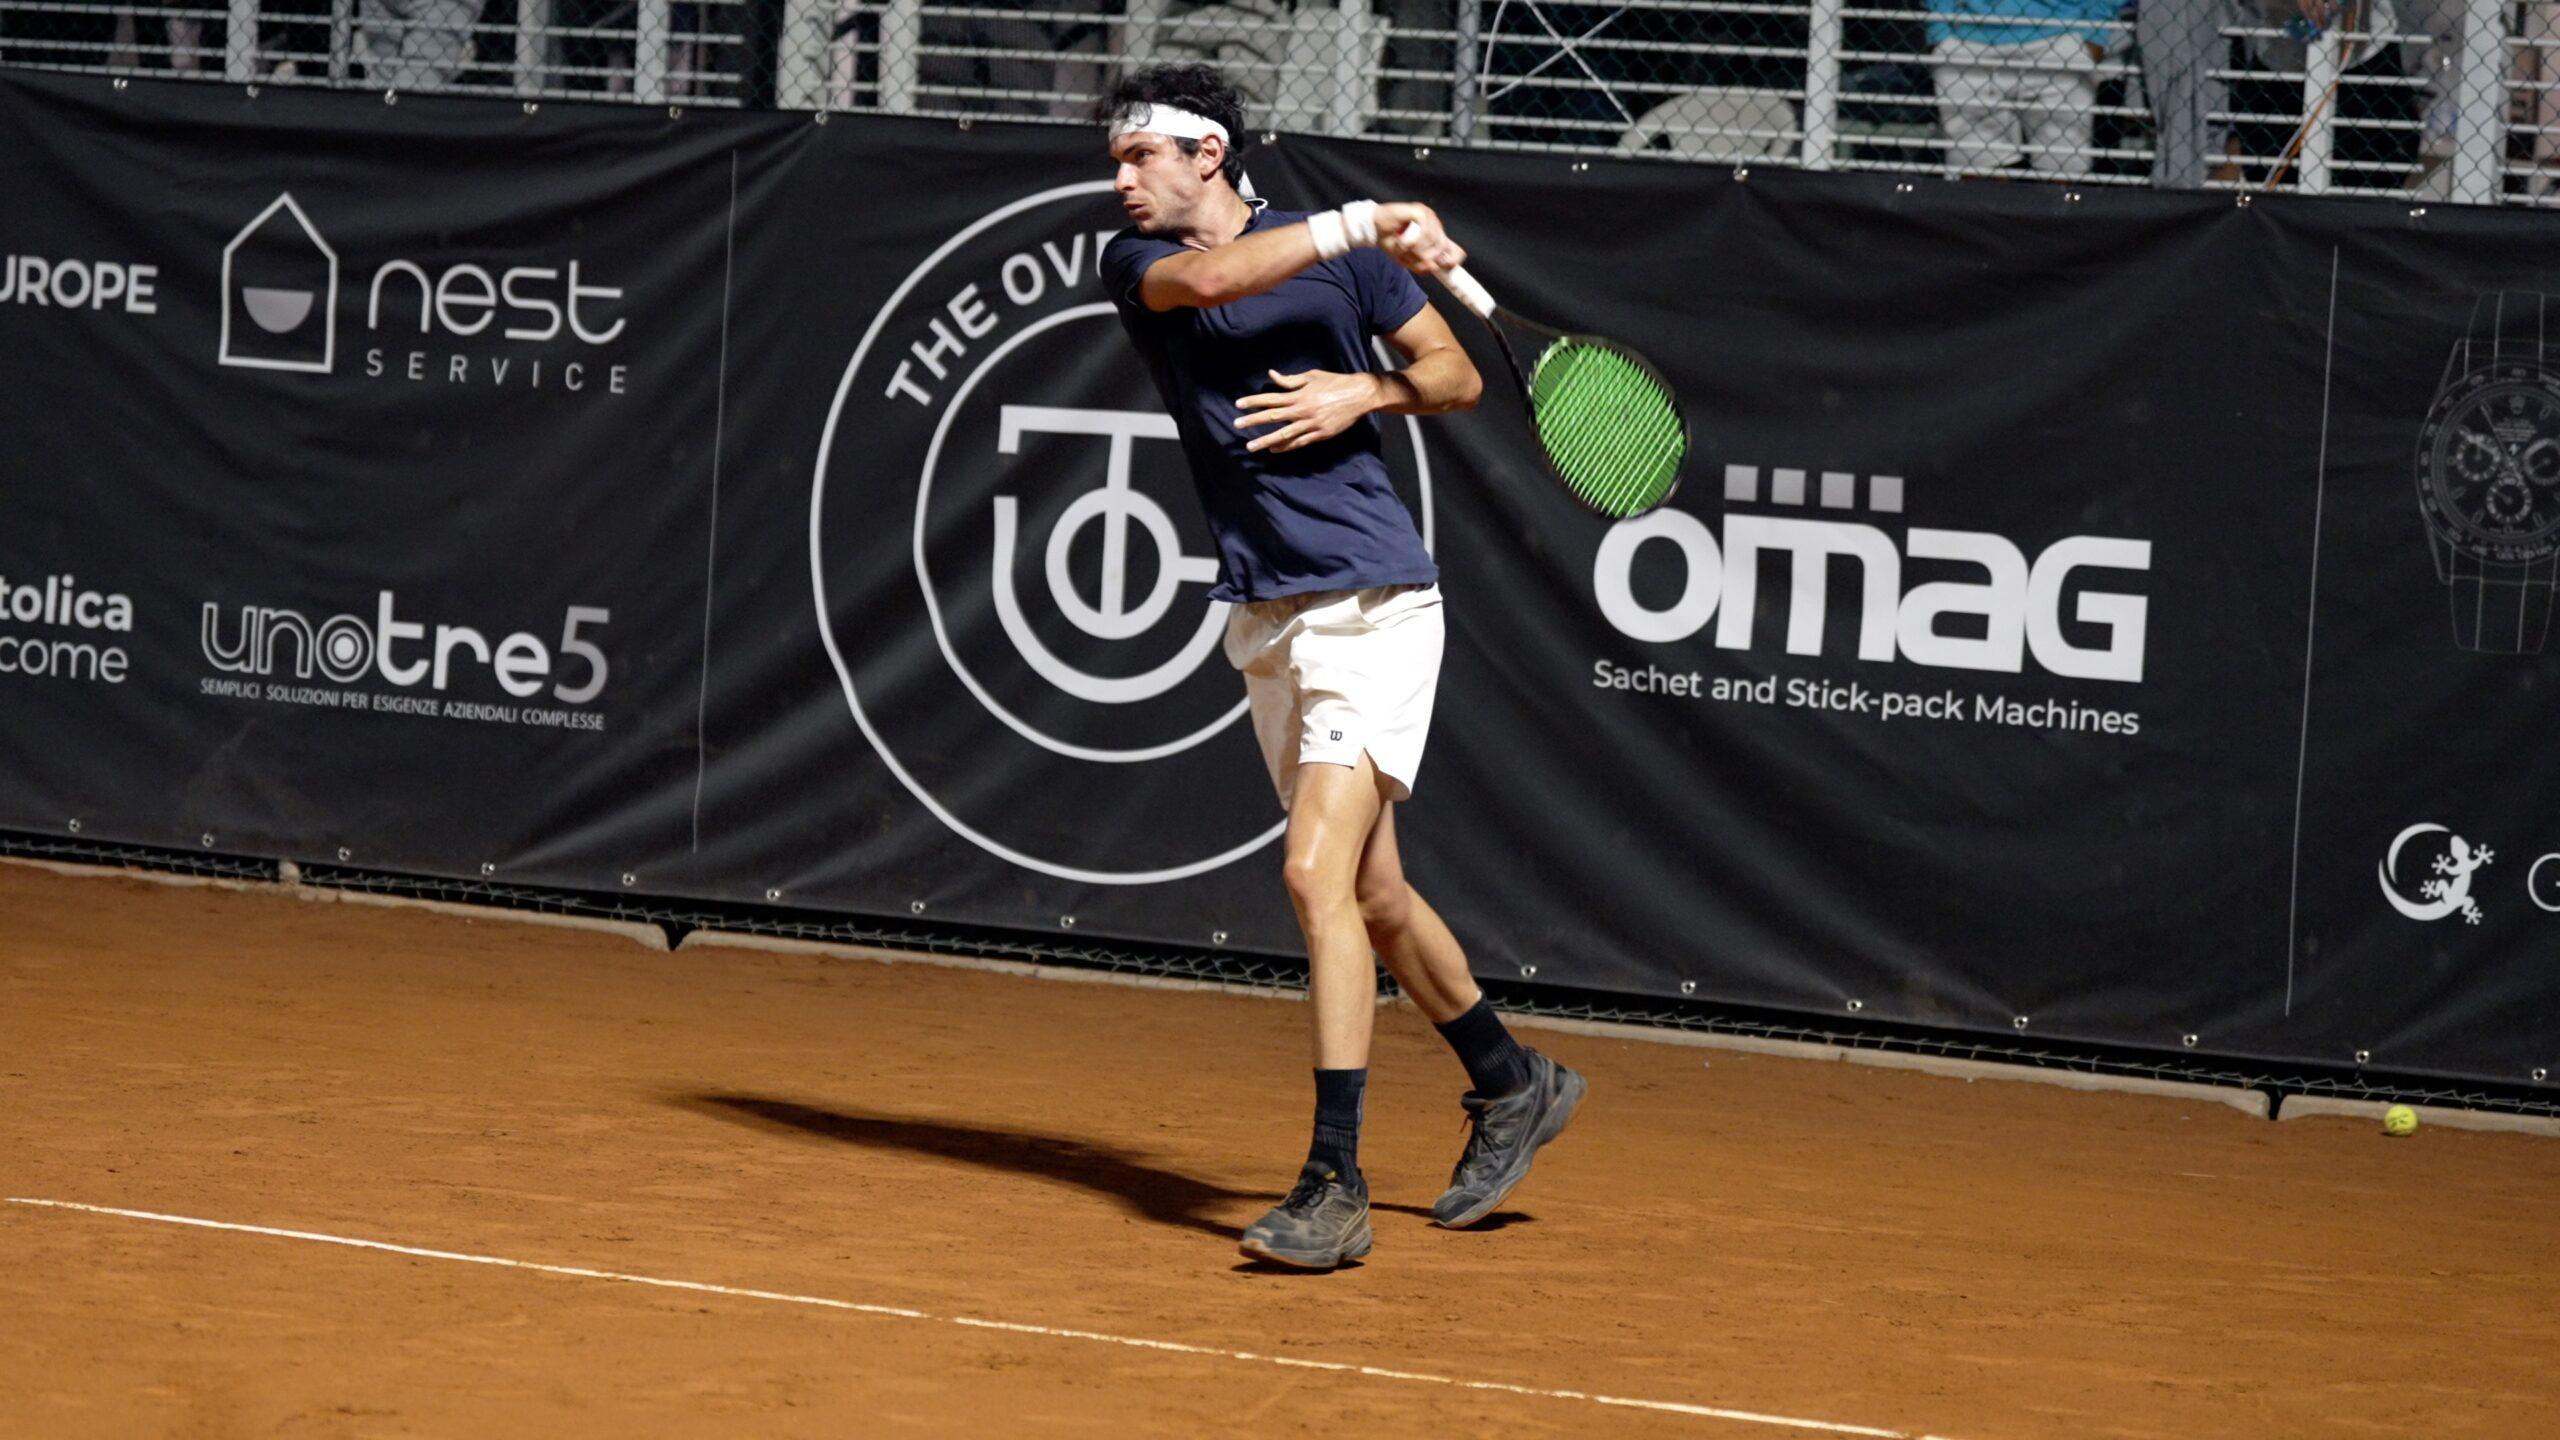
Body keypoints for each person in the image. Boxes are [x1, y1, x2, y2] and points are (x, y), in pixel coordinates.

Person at [1094, 62, 1587, 1270]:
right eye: (1115, 161)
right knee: (1370, 894)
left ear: (1207, 151)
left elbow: (1457, 375)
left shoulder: (1347, 263)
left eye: (1138, 157)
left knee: (1312, 878)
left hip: (1374, 603)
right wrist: (1364, 218)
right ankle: (1512, 1081)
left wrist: (1358, 389)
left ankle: (1334, 1183)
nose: (1119, 181)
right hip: (1266, 614)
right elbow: (1213, 277)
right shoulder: (1131, 265)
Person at [1929, 0, 2121, 176]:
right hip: (1966, 39)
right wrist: (1939, 28)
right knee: (1977, 177)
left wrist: (2096, 29)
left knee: (2063, 175)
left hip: (2062, 34)